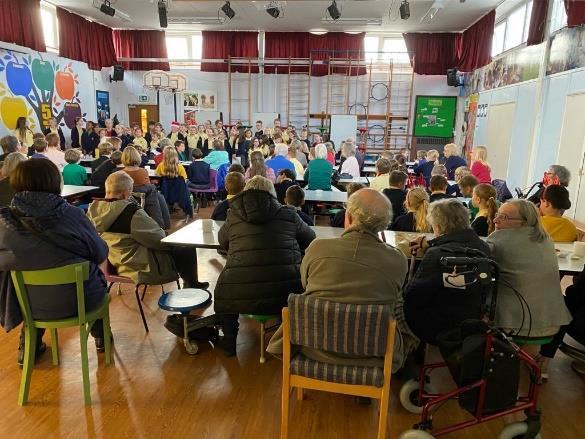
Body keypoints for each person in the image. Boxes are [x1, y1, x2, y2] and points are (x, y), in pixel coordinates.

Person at [267, 188, 414, 373]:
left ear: (349, 217)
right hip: (373, 357)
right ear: (383, 224)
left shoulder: (317, 248)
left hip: (312, 349)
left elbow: (305, 285)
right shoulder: (398, 260)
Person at [0, 159, 110, 363]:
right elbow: (100, 252)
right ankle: (102, 338)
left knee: (22, 278)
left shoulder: (5, 222)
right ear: (55, 182)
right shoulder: (73, 215)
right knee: (92, 272)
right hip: (80, 300)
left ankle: (29, 346)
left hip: (28, 306)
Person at [214, 176, 316, 356]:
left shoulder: (233, 215)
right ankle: (291, 340)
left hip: (239, 291)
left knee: (226, 288)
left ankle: (229, 339)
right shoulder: (289, 214)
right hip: (286, 290)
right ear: (273, 193)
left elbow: (222, 242)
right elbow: (310, 239)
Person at [88, 172, 204, 289]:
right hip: (141, 267)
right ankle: (191, 287)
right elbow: (160, 240)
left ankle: (191, 285)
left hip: (115, 263)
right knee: (185, 246)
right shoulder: (131, 213)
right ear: (127, 192)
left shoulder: (93, 211)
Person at [402, 199, 491, 345]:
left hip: (438, 327)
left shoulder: (436, 254)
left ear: (438, 226)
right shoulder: (483, 247)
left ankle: (406, 350)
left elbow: (414, 296)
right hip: (471, 321)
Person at [486, 200, 571, 337]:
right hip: (552, 319)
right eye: (497, 215)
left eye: (504, 217)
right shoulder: (545, 238)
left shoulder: (498, 239)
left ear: (524, 222)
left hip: (516, 322)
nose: (496, 220)